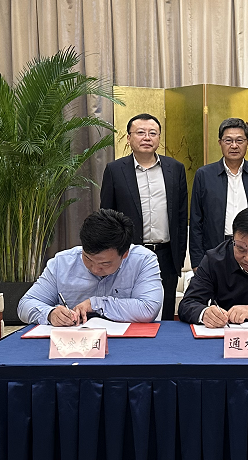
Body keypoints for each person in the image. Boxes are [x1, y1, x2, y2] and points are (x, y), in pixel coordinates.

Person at [99, 113, 187, 320]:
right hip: (128, 254)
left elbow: (182, 216)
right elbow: (107, 216)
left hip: (166, 254)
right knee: (129, 312)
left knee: (165, 313)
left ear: (159, 138)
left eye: (152, 133)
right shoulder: (115, 170)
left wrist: (179, 255)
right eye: (140, 132)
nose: (147, 137)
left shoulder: (175, 168)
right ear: (129, 138)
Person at [17, 209, 163, 324]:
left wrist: (96, 304)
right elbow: (25, 304)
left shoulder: (143, 260)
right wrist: (50, 314)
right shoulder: (62, 263)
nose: (94, 269)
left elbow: (148, 308)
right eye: (87, 259)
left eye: (105, 264)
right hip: (74, 345)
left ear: (124, 254)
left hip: (129, 343)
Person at [189, 118, 248, 269]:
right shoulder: (204, 175)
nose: (234, 146)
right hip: (215, 249)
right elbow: (196, 221)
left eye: (239, 140)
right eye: (228, 140)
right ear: (220, 142)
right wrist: (197, 262)